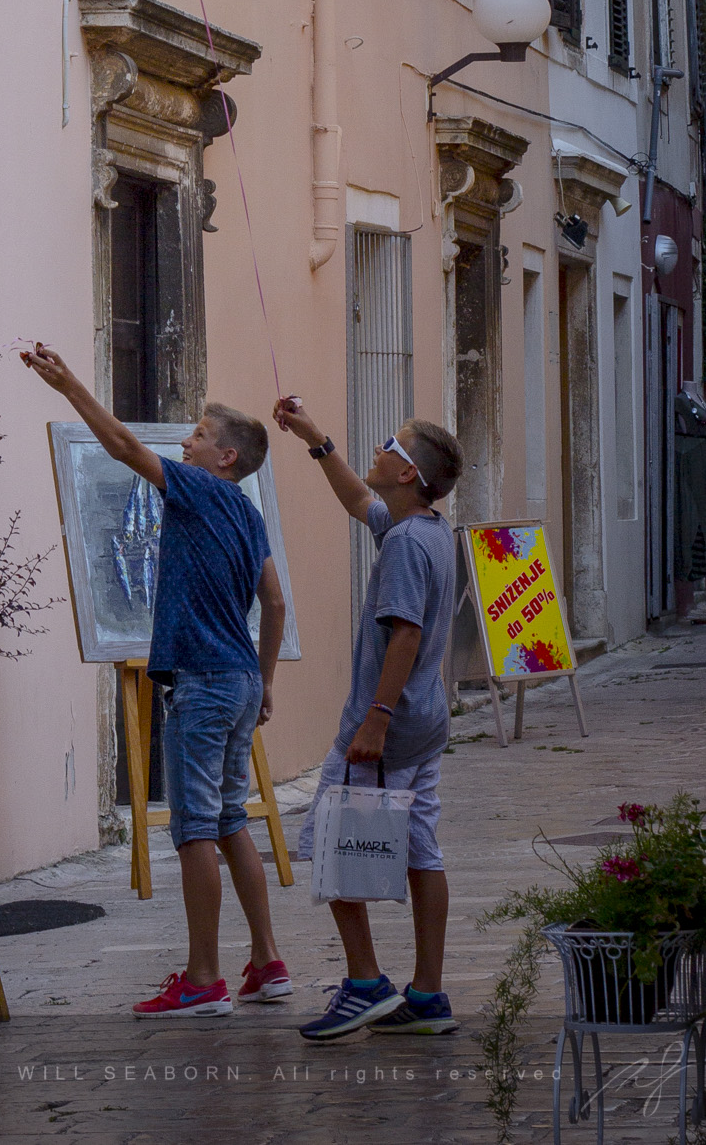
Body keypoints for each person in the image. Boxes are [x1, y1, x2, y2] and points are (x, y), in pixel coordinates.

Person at [23, 344, 289, 1018]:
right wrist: (263, 683)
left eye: (198, 435)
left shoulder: (199, 490)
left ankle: (203, 979)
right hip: (239, 680)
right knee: (230, 819)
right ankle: (267, 962)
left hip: (203, 681)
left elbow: (120, 446)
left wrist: (69, 385)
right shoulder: (249, 513)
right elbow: (276, 602)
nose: (185, 443)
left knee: (195, 827)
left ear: (225, 456)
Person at [272, 395, 463, 1042]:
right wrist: (316, 437)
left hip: (387, 726)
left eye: (390, 444)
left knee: (332, 843)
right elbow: (359, 500)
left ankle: (364, 984)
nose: (379, 449)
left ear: (408, 473)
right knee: (422, 850)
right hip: (425, 722)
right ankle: (428, 995)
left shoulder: (406, 543)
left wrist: (375, 720)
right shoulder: (425, 529)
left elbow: (405, 634)